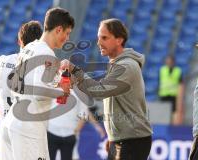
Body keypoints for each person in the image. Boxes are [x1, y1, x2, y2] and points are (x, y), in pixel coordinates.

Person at [61, 18, 152, 160]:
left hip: (131, 141)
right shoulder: (118, 64)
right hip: (123, 139)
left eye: (104, 38)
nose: (99, 43)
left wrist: (74, 70)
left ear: (119, 40)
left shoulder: (127, 66)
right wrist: (113, 137)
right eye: (98, 38)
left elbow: (99, 90)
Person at [0, 7, 75, 160]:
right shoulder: (46, 53)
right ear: (58, 29)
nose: (67, 38)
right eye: (67, 33)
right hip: (28, 127)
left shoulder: (29, 48)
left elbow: (30, 81)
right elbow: (39, 92)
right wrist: (63, 91)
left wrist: (58, 77)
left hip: (12, 120)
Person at [0, 20, 43, 159]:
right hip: (27, 132)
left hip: (5, 128)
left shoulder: (1, 61)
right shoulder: (40, 67)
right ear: (39, 42)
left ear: (19, 41)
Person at [47, 88, 105, 160]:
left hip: (67, 132)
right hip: (55, 131)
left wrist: (76, 131)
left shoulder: (79, 93)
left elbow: (84, 113)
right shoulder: (54, 87)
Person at [158, 55, 184, 125]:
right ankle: (163, 126)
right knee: (163, 112)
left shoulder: (178, 71)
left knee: (173, 113)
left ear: (173, 62)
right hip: (163, 94)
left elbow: (181, 84)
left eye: (170, 61)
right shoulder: (162, 70)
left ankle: (172, 126)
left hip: (173, 95)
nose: (168, 63)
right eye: (167, 61)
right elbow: (159, 81)